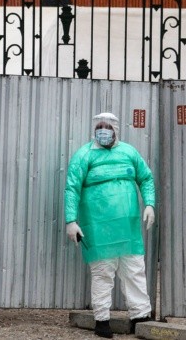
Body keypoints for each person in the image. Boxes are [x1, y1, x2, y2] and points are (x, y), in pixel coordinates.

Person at [64, 112, 156, 339]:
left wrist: (150, 204)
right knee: (102, 272)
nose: (103, 131)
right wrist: (71, 220)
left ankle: (140, 316)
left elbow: (146, 178)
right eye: (100, 126)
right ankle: (102, 319)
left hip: (128, 226)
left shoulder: (129, 152)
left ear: (116, 129)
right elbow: (72, 188)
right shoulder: (84, 155)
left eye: (107, 127)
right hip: (98, 227)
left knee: (134, 269)